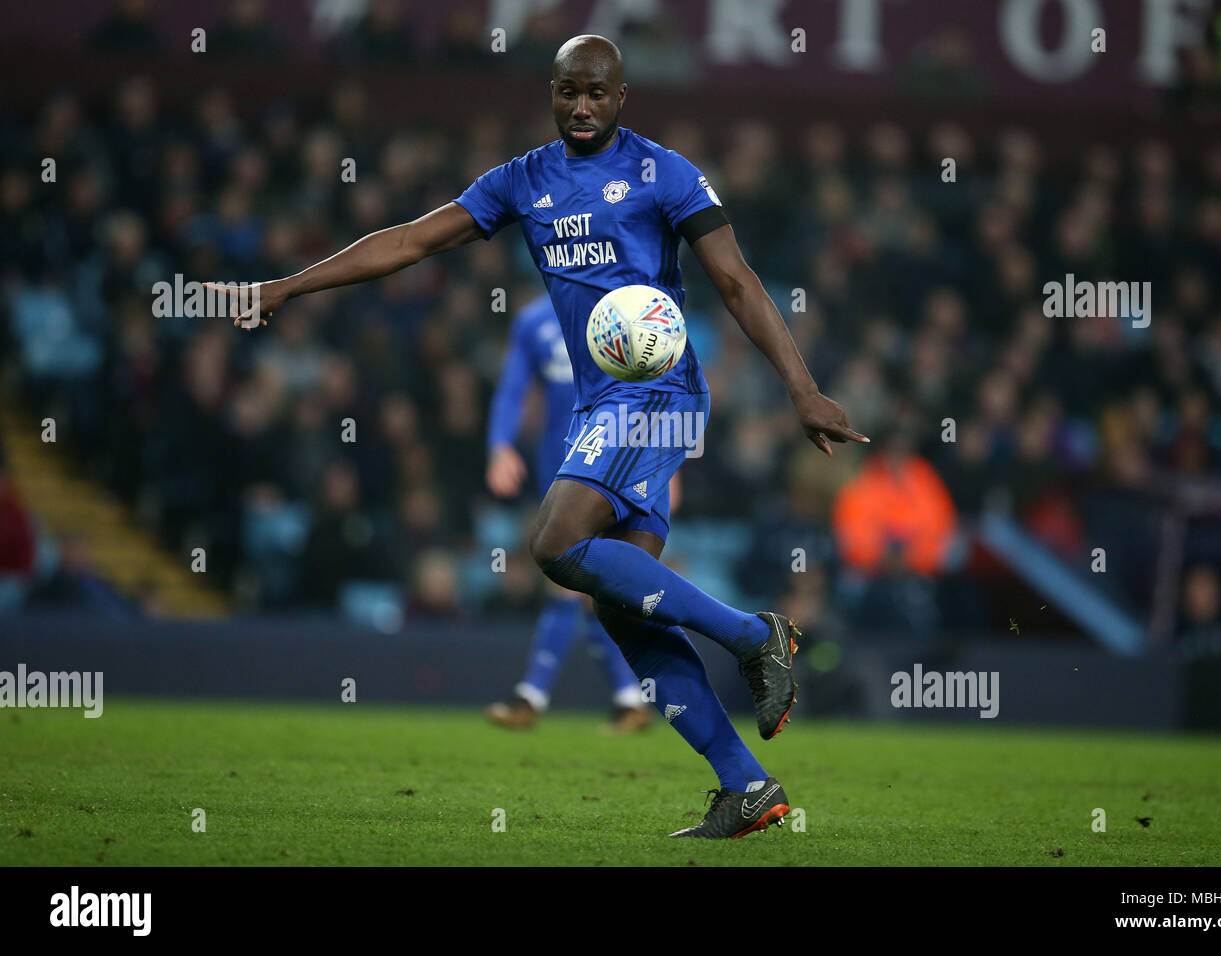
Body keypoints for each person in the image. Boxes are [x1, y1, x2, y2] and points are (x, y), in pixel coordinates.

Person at [207, 35, 867, 839]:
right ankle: (747, 786)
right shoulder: (523, 179)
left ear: (623, 97)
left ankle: (752, 635)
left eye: (596, 92)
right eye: (566, 92)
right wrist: (287, 287)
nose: (581, 107)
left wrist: (800, 388)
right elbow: (412, 239)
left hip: (659, 393)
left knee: (555, 544)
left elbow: (735, 279)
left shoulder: (667, 173)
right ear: (551, 95)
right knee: (626, 611)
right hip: (602, 407)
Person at [484, 294, 652, 733]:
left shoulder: (627, 312)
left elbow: (659, 387)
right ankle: (630, 697)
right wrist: (500, 444)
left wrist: (669, 458)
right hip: (557, 466)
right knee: (588, 584)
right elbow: (512, 389)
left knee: (576, 579)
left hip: (617, 458)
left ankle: (533, 695)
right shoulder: (532, 319)